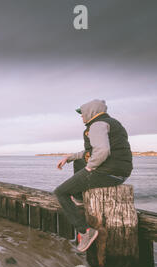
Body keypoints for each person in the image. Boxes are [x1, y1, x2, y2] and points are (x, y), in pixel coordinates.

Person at [54, 99, 133, 252]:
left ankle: (85, 232)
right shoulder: (109, 123)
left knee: (61, 192)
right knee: (78, 162)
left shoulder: (97, 125)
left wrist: (90, 168)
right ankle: (78, 197)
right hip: (119, 173)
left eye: (82, 113)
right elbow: (90, 152)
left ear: (91, 112)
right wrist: (69, 158)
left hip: (107, 172)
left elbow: (102, 151)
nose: (81, 116)